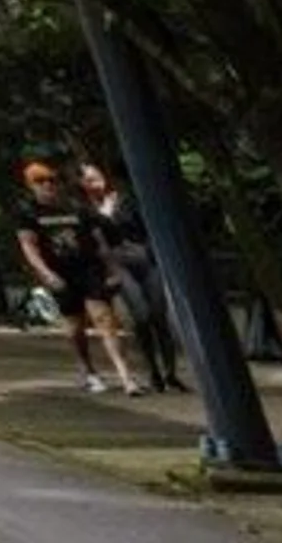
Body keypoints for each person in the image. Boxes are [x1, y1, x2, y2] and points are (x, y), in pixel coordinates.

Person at [16, 158, 142, 394]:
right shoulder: (28, 212)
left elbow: (99, 239)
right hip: (60, 273)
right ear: (30, 185)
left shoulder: (74, 207)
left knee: (105, 320)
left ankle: (126, 376)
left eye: (51, 180)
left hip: (88, 268)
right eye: (40, 181)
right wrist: (46, 274)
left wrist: (111, 269)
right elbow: (29, 247)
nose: (47, 185)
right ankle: (88, 370)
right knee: (75, 327)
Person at [83, 162, 185, 393]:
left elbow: (148, 226)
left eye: (95, 178)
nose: (93, 184)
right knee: (141, 315)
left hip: (143, 257)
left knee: (159, 314)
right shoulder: (87, 210)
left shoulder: (126, 200)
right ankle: (153, 371)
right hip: (117, 263)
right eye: (88, 180)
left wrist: (151, 251)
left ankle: (170, 372)